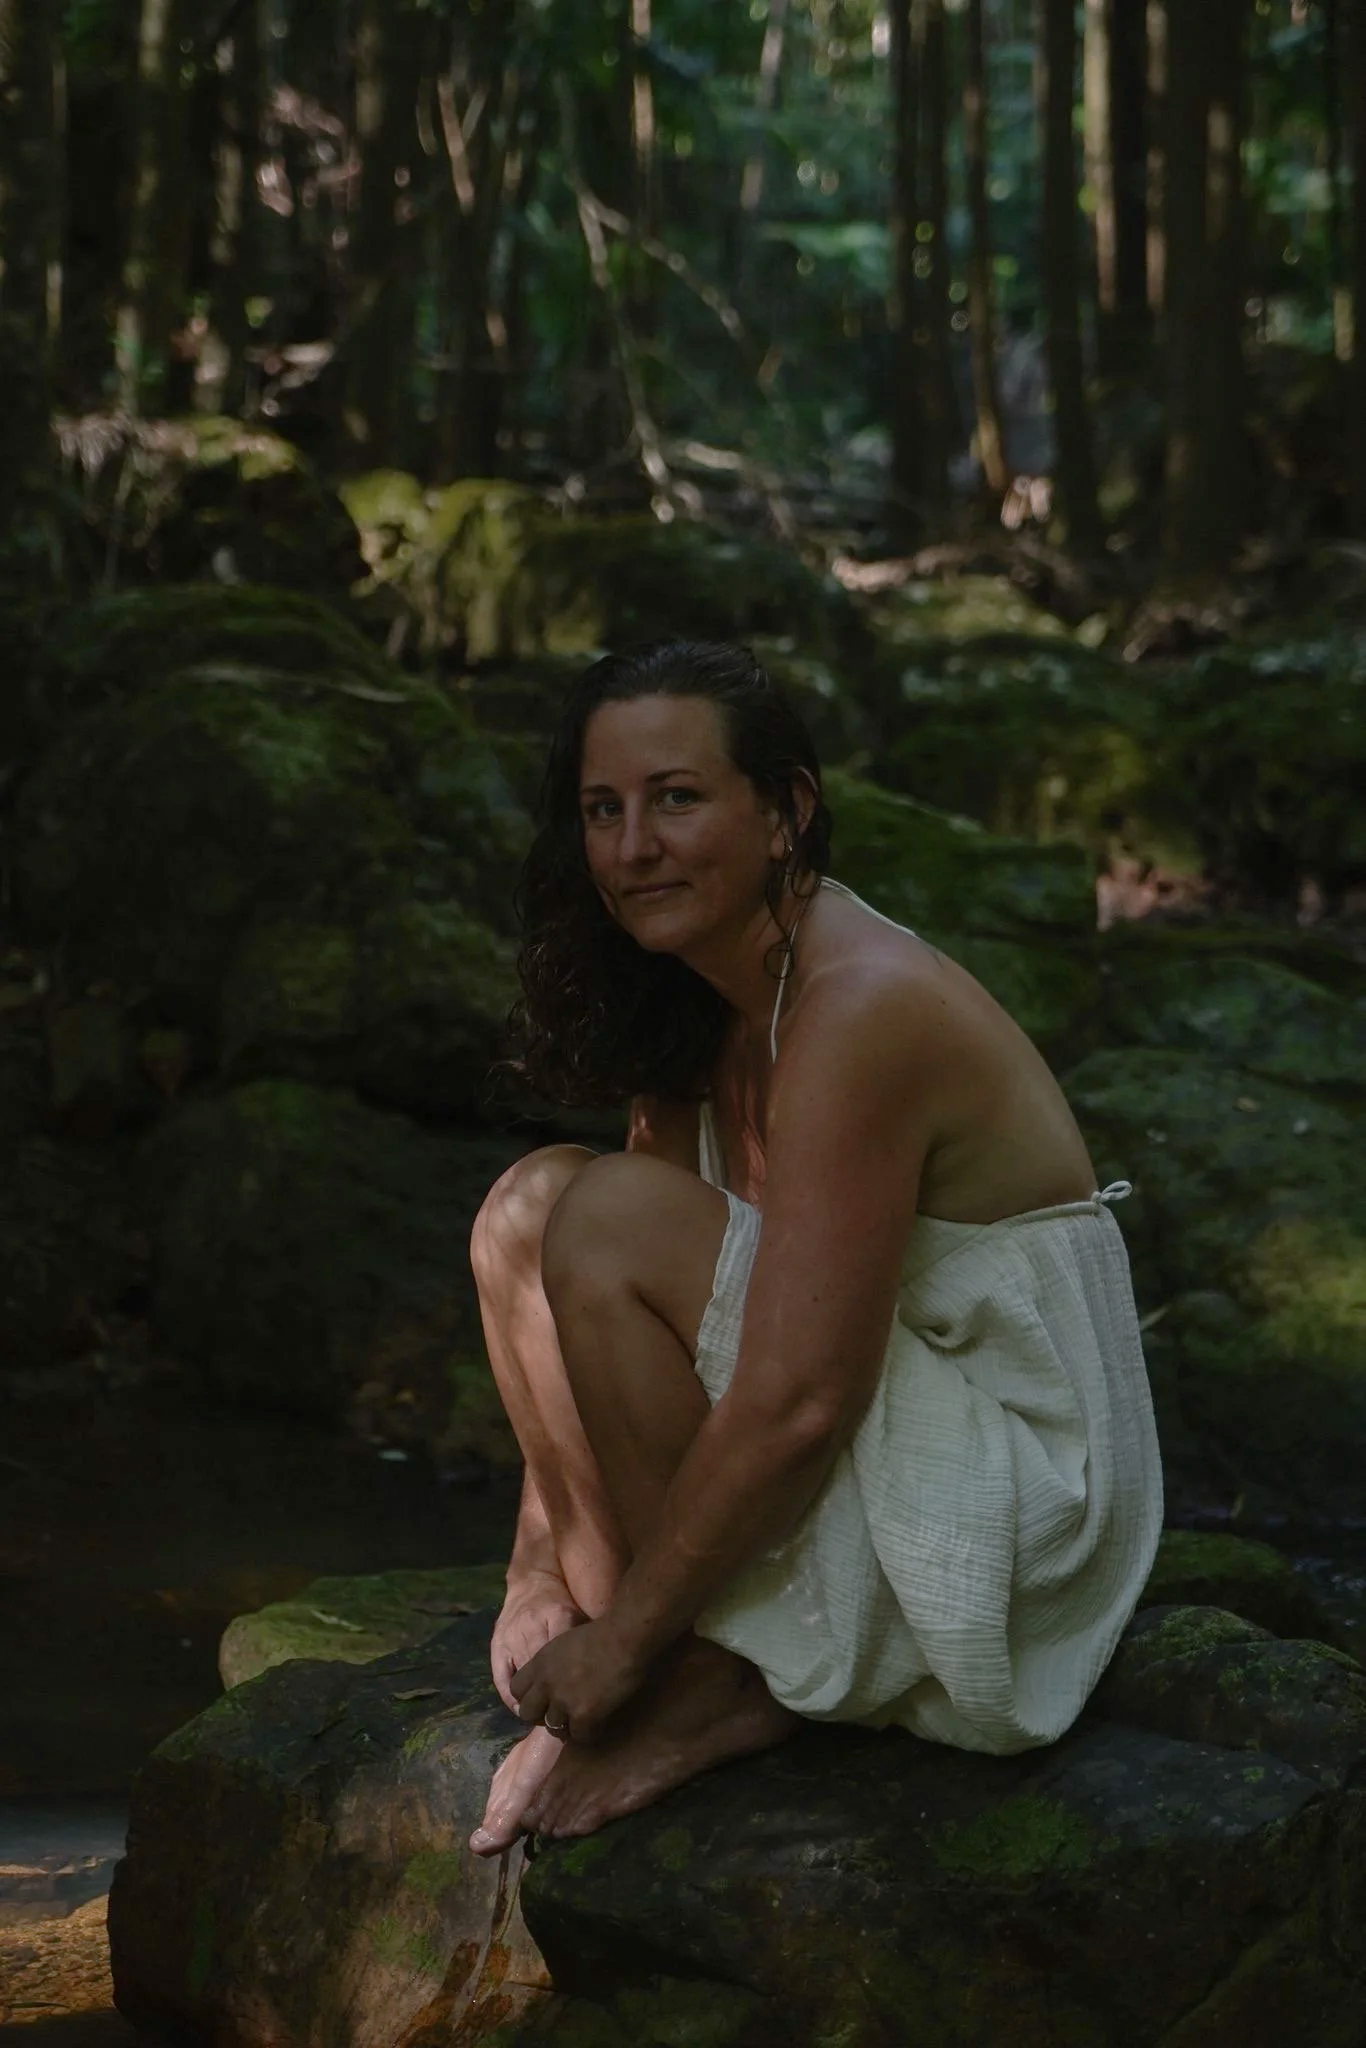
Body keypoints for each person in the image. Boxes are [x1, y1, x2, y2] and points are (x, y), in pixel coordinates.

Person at [466, 639, 1162, 1858]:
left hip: (1010, 1504)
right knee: (530, 1204)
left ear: (785, 810)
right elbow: (583, 1319)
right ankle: (677, 1644)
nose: (634, 847)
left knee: (608, 1216)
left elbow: (800, 1395)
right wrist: (537, 1571)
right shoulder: (699, 995)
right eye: (603, 809)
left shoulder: (860, 1005)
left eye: (677, 798)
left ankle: (706, 1675)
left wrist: (621, 1644)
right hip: (882, 1425)